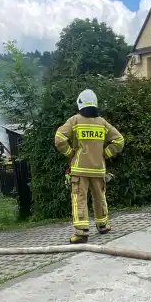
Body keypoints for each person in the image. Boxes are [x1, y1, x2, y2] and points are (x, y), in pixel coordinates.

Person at [55, 89, 124, 243]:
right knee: (100, 197)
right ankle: (103, 225)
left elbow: (59, 139)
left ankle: (81, 232)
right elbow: (119, 140)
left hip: (80, 169)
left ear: (79, 103)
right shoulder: (103, 123)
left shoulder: (74, 121)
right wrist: (105, 153)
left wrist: (70, 153)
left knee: (79, 198)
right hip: (99, 169)